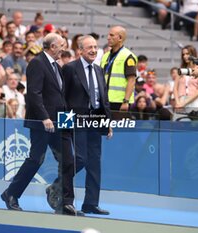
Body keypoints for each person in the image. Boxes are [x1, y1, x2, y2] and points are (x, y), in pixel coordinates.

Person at [0, 33, 82, 216]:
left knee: (69, 161)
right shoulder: (37, 63)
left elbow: (61, 98)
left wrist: (68, 122)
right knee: (36, 159)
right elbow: (34, 94)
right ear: (52, 46)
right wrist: (45, 117)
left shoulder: (57, 66)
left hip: (59, 123)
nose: (64, 48)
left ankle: (65, 202)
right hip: (42, 122)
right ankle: (11, 193)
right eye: (61, 45)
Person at [47, 35, 112, 215]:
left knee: (94, 163)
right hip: (76, 121)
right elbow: (62, 97)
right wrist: (64, 123)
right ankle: (59, 186)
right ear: (80, 50)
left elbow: (103, 100)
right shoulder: (69, 68)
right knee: (80, 159)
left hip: (96, 121)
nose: (93, 50)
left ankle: (90, 203)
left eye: (95, 47)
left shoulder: (99, 70)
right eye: (89, 47)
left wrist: (107, 123)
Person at [101, 26, 137, 119]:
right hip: (105, 101)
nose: (108, 37)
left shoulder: (128, 56)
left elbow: (131, 80)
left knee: (118, 131)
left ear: (120, 38)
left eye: (112, 35)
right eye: (108, 35)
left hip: (119, 103)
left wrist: (126, 101)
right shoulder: (105, 56)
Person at [173, 45, 198, 116]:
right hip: (180, 101)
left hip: (194, 102)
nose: (185, 56)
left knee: (194, 126)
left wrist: (184, 103)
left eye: (187, 54)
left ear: (193, 54)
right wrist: (178, 102)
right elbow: (175, 88)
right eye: (183, 54)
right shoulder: (181, 70)